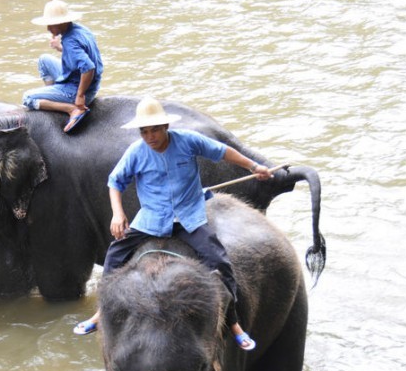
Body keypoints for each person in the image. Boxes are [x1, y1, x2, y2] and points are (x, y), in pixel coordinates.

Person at [73, 97, 273, 351]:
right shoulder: (136, 152)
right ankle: (100, 313)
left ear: (165, 126)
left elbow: (223, 152)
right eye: (144, 131)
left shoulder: (187, 141)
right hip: (152, 219)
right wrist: (117, 213)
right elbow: (115, 182)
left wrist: (254, 166)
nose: (150, 136)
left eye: (154, 129)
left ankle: (234, 323)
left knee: (220, 261)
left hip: (189, 216)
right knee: (114, 256)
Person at [23, 0, 103, 133]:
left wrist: (80, 95)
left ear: (61, 22)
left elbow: (88, 67)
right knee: (44, 60)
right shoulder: (81, 30)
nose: (48, 28)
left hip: (78, 87)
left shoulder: (70, 41)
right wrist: (60, 47)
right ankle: (53, 97)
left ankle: (70, 108)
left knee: (28, 98)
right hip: (84, 79)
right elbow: (80, 54)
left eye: (51, 24)